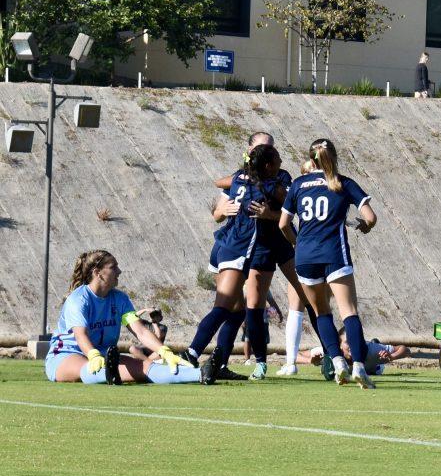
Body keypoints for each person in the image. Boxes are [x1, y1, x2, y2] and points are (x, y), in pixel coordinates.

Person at [204, 131, 323, 379]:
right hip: (255, 246)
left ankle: (333, 355)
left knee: (309, 293)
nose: (267, 152)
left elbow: (293, 207)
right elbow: (218, 211)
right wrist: (221, 210)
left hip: (281, 242)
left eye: (271, 147)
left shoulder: (281, 177)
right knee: (248, 305)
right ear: (250, 151)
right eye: (262, 147)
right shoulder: (239, 179)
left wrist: (271, 214)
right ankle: (251, 361)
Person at [280, 138, 379, 389]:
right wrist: (365, 227)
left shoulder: (299, 184)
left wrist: (297, 242)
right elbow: (371, 217)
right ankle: (358, 366)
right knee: (349, 312)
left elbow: (283, 224)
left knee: (321, 312)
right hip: (334, 254)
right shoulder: (343, 183)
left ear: (310, 160)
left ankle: (337, 363)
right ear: (334, 157)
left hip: (305, 257)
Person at [185, 144, 283, 384]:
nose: (282, 164)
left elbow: (221, 183)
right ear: (268, 165)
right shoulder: (270, 186)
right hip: (237, 248)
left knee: (237, 310)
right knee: (222, 307)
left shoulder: (239, 178)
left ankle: (220, 363)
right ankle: (191, 353)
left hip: (224, 243)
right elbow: (289, 207)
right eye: (278, 160)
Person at [45, 250, 199, 384]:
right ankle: (106, 374)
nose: (119, 271)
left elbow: (141, 331)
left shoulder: (120, 299)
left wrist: (165, 351)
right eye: (113, 267)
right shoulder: (78, 299)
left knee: (145, 368)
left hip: (105, 356)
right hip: (68, 354)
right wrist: (94, 355)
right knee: (86, 369)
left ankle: (201, 374)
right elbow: (81, 335)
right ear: (97, 272)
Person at [307, 338, 411, 377]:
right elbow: (297, 355)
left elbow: (406, 350)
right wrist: (312, 361)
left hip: (374, 368)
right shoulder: (330, 351)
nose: (352, 345)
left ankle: (375, 341)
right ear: (339, 345)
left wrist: (392, 357)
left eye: (354, 341)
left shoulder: (372, 350)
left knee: (375, 344)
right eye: (348, 342)